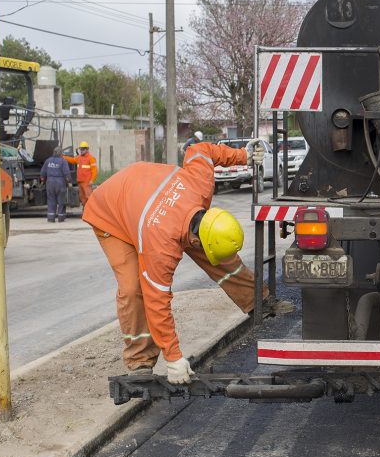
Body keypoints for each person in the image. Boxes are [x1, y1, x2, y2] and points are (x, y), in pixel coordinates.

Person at [83, 141, 265, 384]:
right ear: (194, 239)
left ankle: (258, 301)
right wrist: (174, 357)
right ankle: (140, 360)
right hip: (110, 213)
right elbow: (157, 299)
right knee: (133, 288)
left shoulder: (200, 186)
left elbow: (201, 150)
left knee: (220, 257)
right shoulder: (161, 245)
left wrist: (242, 155)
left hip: (142, 191)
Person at [63, 141, 98, 207]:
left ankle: (91, 213)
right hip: (80, 181)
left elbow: (95, 171)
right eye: (80, 149)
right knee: (82, 198)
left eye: (83, 149)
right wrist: (64, 157)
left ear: (87, 149)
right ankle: (85, 212)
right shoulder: (79, 157)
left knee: (89, 197)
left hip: (87, 182)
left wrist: (92, 180)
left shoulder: (91, 158)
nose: (81, 151)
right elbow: (72, 160)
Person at [41, 149, 72, 222]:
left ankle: (51, 218)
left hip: (50, 183)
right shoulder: (63, 161)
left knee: (51, 200)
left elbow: (42, 173)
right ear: (61, 153)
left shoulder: (48, 161)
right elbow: (66, 173)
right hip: (60, 183)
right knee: (61, 200)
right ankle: (61, 218)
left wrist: (43, 181)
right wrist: (69, 182)